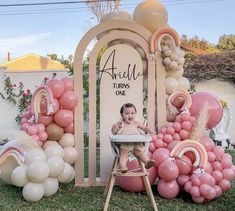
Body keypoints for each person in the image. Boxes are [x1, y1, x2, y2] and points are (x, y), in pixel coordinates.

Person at [111, 103, 156, 173]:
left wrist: (150, 130)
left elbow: (144, 128)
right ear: (122, 115)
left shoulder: (136, 123)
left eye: (132, 113)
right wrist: (115, 127)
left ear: (135, 114)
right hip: (125, 144)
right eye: (127, 113)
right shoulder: (121, 123)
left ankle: (146, 161)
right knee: (123, 154)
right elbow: (113, 132)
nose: (130, 115)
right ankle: (123, 166)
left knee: (139, 153)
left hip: (136, 144)